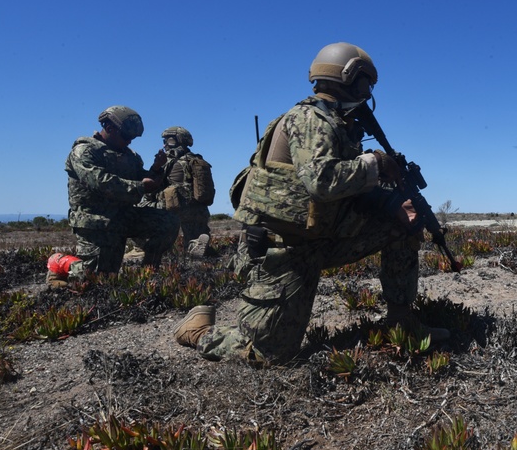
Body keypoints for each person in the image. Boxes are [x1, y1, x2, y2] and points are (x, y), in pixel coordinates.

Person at [173, 42, 448, 366]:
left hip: (321, 236)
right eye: (366, 82)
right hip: (282, 248)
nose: (369, 91)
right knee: (267, 354)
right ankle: (198, 330)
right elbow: (321, 181)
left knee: (403, 225)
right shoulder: (310, 119)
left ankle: (402, 322)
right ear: (351, 77)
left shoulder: (340, 125)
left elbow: (345, 188)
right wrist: (375, 163)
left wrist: (390, 202)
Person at [46, 106, 180, 287]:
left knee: (168, 222)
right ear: (109, 129)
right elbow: (102, 183)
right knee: (97, 282)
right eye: (126, 137)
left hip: (124, 216)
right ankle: (59, 262)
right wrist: (141, 186)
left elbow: (141, 178)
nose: (129, 142)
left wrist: (156, 169)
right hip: (96, 221)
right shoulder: (85, 151)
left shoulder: (129, 156)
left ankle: (148, 274)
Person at [154, 126, 215, 257]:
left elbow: (156, 184)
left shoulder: (170, 160)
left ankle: (151, 251)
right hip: (200, 209)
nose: (164, 144)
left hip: (175, 208)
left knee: (158, 233)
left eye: (167, 140)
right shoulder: (198, 160)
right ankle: (196, 246)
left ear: (175, 140)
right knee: (195, 237)